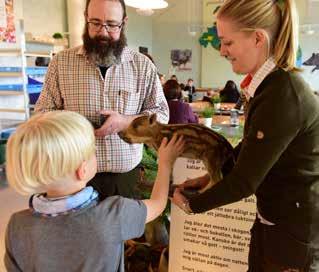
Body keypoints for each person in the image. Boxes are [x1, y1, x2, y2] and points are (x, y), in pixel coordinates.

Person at [172, 0, 319, 271]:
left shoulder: (282, 92)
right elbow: (249, 150)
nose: (222, 51)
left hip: (293, 235)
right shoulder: (269, 87)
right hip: (272, 221)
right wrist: (209, 177)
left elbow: (244, 182)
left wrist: (193, 205)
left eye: (227, 43)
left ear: (257, 38)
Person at [4, 111, 184, 272]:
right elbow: (158, 204)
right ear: (82, 170)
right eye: (93, 151)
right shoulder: (114, 214)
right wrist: (165, 163)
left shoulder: (16, 226)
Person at [35, 0, 169, 200]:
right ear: (86, 19)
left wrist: (125, 122)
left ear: (124, 22)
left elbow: (162, 115)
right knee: (78, 232)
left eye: (112, 25)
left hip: (125, 178)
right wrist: (76, 125)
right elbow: (42, 113)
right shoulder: (61, 63)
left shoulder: (142, 66)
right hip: (73, 176)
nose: (103, 32)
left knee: (126, 232)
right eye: (95, 23)